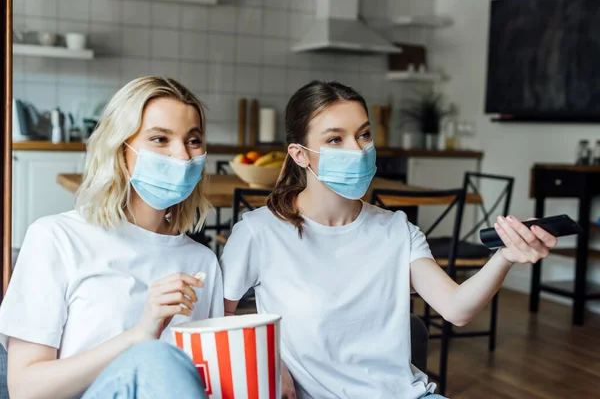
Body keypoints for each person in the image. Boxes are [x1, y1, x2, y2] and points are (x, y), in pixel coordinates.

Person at [219, 81, 557, 399]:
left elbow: (456, 309)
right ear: (299, 154)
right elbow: (218, 318)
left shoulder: (397, 229)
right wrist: (268, 363)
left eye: (364, 134)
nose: (357, 149)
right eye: (335, 139)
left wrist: (504, 256)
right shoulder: (258, 232)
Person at [0, 76, 222, 399]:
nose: (183, 157)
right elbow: (24, 389)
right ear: (120, 150)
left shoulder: (203, 263)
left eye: (193, 141)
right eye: (160, 139)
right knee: (155, 357)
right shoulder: (56, 238)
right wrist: (137, 337)